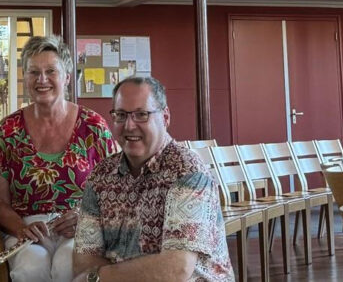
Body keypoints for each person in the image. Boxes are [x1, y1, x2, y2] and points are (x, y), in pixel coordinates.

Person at [72, 77, 234, 282]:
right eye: (121, 115)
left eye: (141, 115)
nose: (129, 126)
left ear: (165, 117)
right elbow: (83, 259)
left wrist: (98, 277)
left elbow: (176, 268)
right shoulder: (100, 176)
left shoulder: (188, 173)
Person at [0, 35, 118, 282]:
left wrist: (85, 219)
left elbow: (116, 191)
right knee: (30, 267)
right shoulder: (9, 129)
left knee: (68, 263)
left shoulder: (93, 126)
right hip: (27, 228)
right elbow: (0, 202)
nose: (42, 79)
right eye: (33, 72)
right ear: (25, 77)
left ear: (67, 77)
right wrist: (22, 228)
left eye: (51, 71)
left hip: (81, 226)